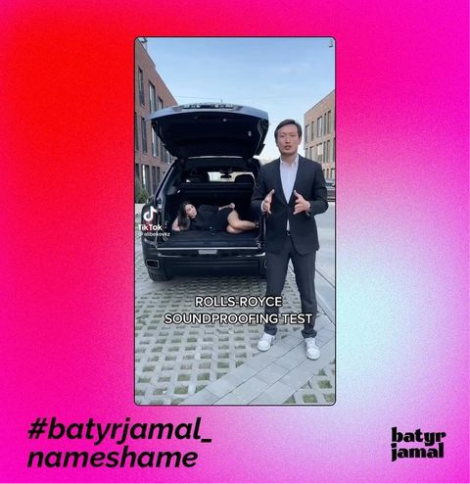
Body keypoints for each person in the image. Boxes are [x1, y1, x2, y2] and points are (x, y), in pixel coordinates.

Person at [251, 119, 328, 360]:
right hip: (276, 241)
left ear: (299, 139)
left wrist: (309, 206)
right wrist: (262, 205)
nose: (287, 140)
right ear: (276, 141)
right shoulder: (266, 171)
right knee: (273, 289)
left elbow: (323, 201)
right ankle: (269, 331)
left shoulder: (313, 168)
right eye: (282, 136)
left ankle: (310, 335)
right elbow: (254, 201)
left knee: (307, 291)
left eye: (292, 135)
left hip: (304, 240)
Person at [172, 201, 257, 233]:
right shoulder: (191, 225)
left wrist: (229, 205)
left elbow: (218, 208)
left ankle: (258, 225)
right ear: (186, 214)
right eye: (189, 210)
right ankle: (250, 228)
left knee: (235, 224)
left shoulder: (202, 208)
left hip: (226, 214)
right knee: (230, 229)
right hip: (224, 226)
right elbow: (174, 228)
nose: (192, 209)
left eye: (192, 207)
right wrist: (180, 214)